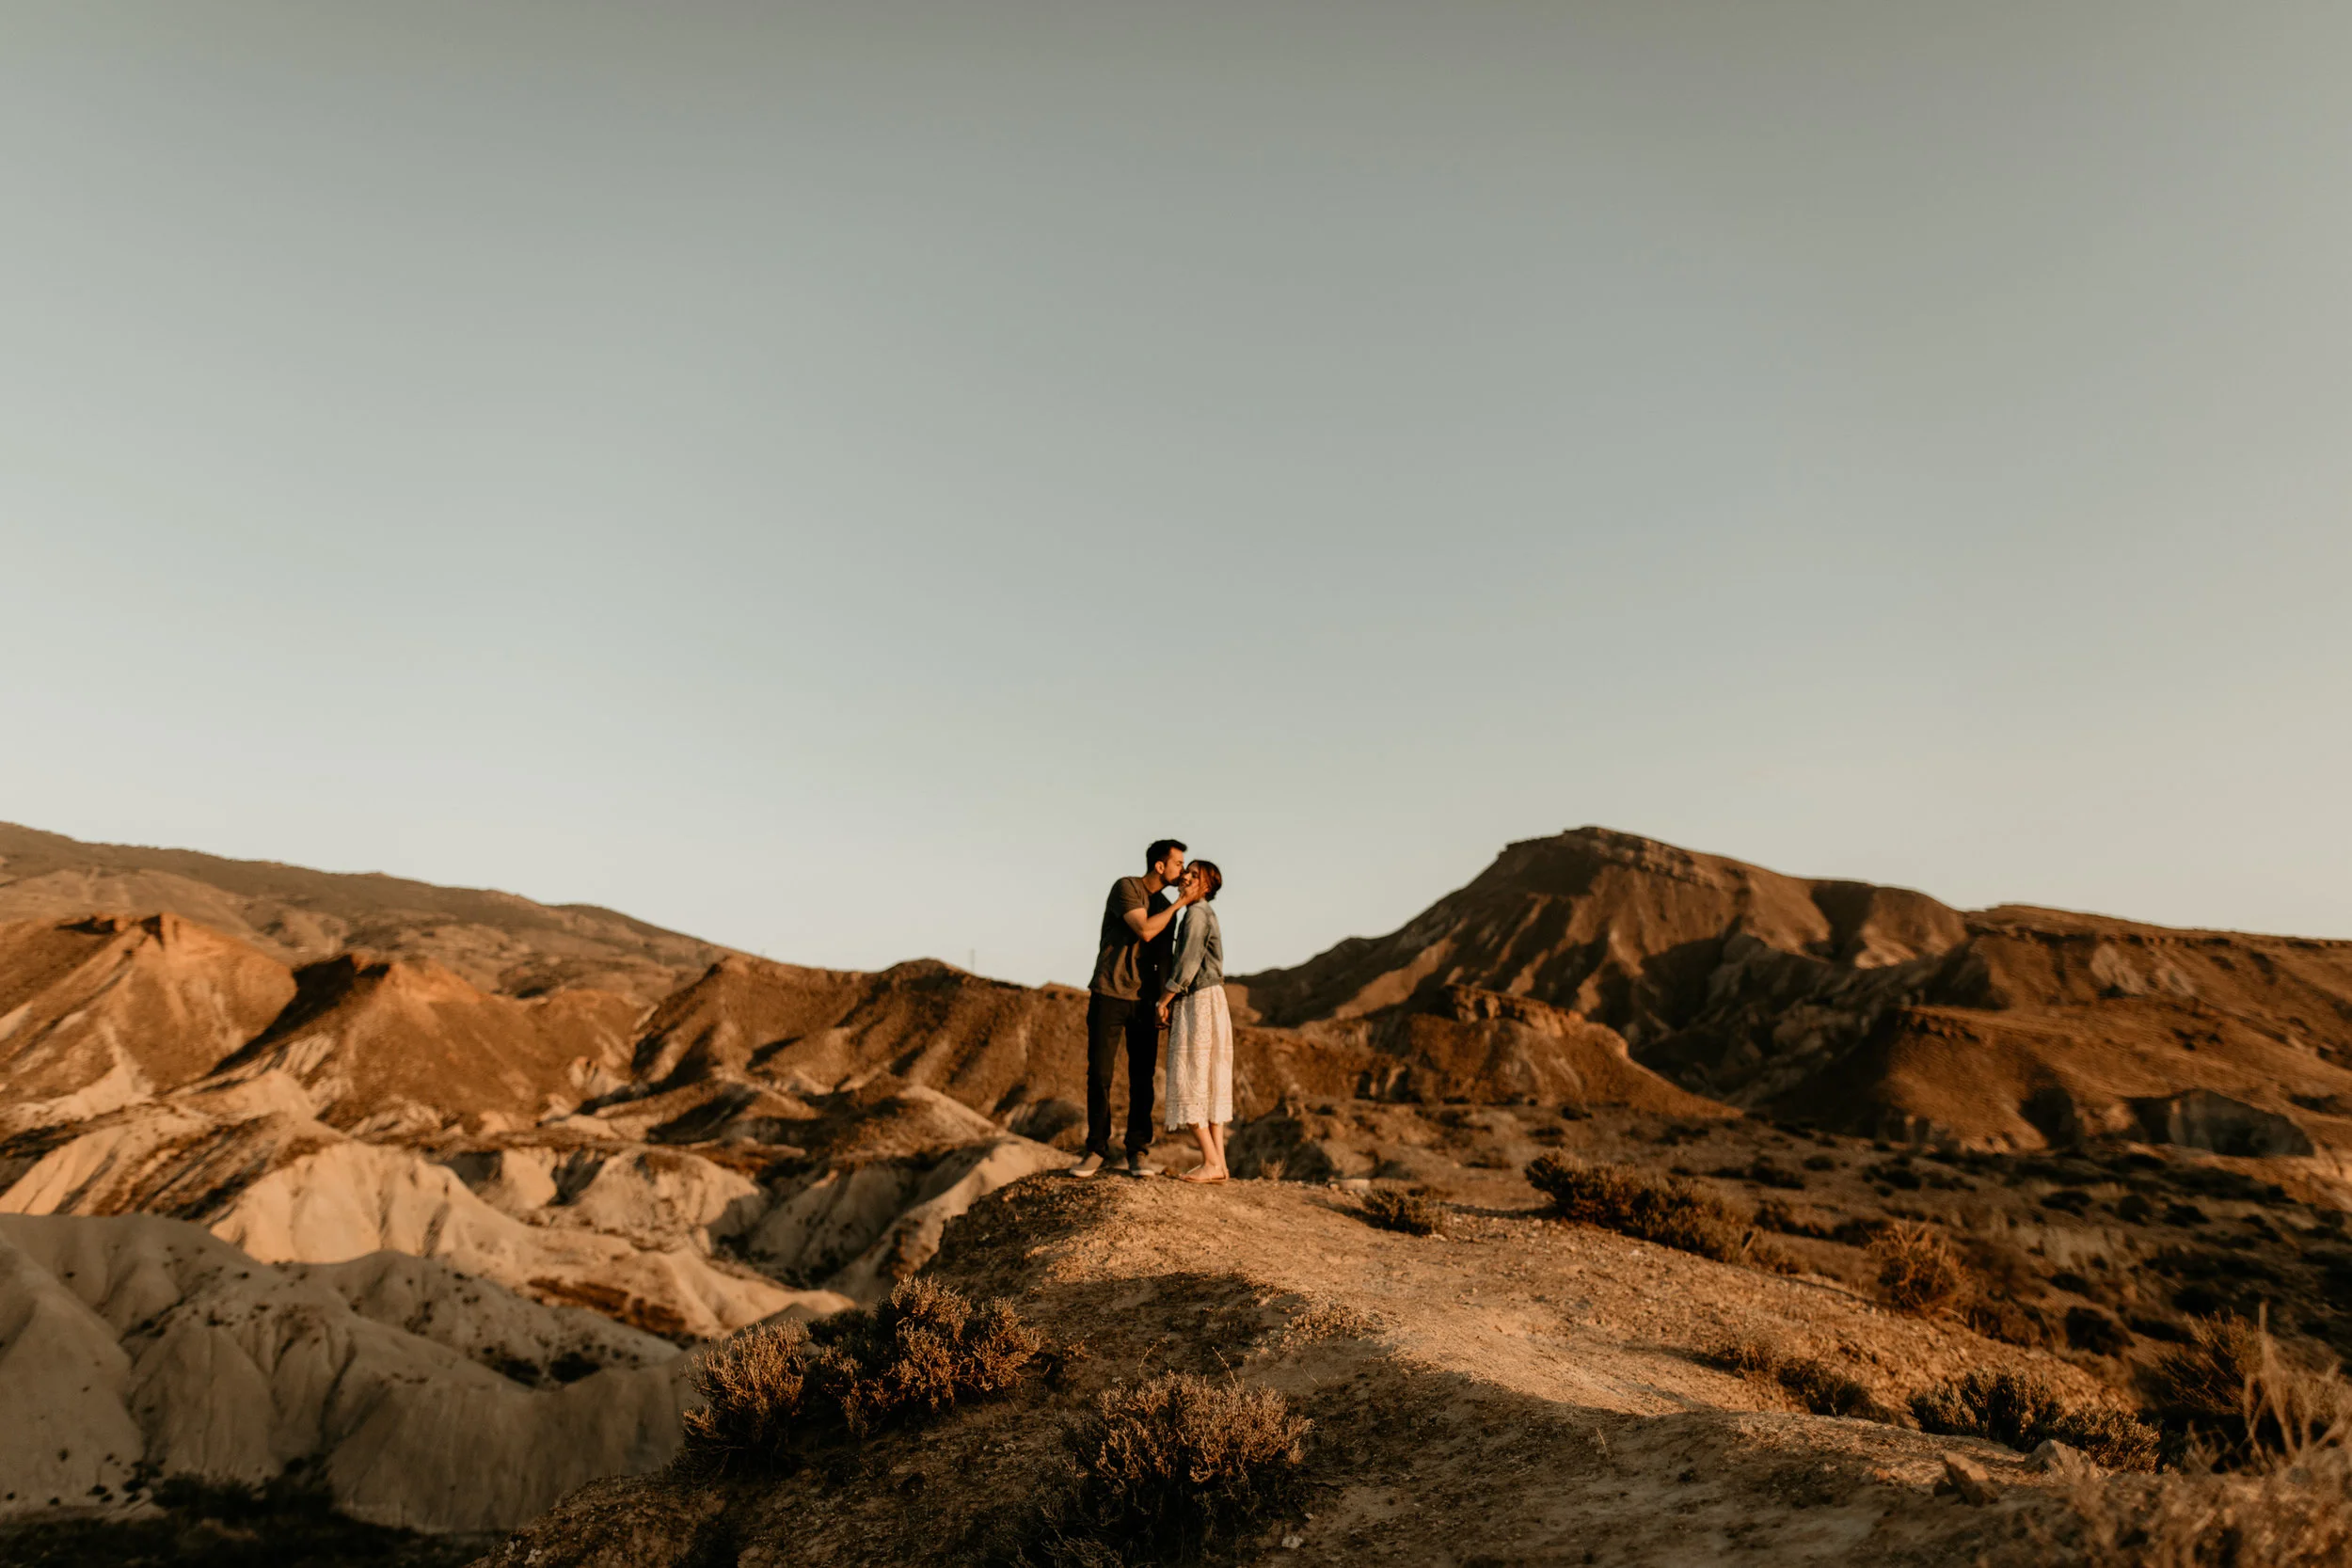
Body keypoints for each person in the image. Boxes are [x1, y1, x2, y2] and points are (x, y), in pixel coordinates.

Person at [1072, 838, 1201, 1179]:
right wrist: (1179, 904)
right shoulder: (1126, 887)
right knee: (1099, 1075)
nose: (1182, 871)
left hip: (1145, 1001)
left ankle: (1137, 1151)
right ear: (1160, 866)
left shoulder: (1164, 905)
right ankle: (1096, 1149)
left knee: (1142, 1079)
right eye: (1178, 864)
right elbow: (1144, 930)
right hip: (1110, 993)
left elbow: (1162, 958)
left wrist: (1163, 1003)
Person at [1156, 860, 1231, 1182]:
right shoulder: (1202, 913)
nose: (1185, 876)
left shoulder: (1196, 915)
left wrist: (1165, 999)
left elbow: (1187, 963)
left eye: (1194, 875)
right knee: (1210, 1082)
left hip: (1197, 1001)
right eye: (1186, 871)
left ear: (1207, 886)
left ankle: (1211, 1162)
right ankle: (1220, 1164)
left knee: (1190, 1080)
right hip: (1211, 999)